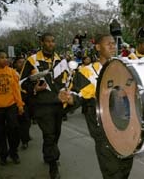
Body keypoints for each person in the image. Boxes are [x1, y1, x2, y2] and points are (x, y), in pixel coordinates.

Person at [59, 34, 134, 179]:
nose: (113, 47)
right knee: (112, 171)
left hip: (125, 125)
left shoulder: (124, 67)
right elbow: (78, 96)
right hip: (102, 129)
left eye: (114, 44)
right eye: (109, 44)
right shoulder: (87, 71)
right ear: (98, 47)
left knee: (125, 165)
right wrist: (69, 99)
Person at [20, 33, 70, 179]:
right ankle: (53, 165)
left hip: (58, 104)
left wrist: (66, 92)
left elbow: (66, 80)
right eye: (47, 41)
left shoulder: (60, 60)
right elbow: (21, 83)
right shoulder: (32, 60)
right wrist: (35, 88)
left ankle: (48, 154)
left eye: (53, 41)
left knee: (56, 133)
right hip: (41, 105)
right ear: (41, 42)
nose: (50, 44)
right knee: (49, 135)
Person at [0, 49, 24, 165]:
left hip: (11, 106)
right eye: (2, 57)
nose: (6, 60)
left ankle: (13, 152)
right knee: (0, 133)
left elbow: (16, 90)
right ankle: (2, 155)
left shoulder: (11, 71)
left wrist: (20, 105)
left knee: (14, 130)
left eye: (6, 57)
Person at [13, 57, 32, 150]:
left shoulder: (28, 74)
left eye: (24, 62)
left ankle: (25, 136)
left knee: (27, 121)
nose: (22, 64)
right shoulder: (12, 73)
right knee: (21, 121)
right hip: (16, 102)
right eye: (20, 62)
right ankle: (24, 141)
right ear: (15, 64)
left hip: (27, 100)